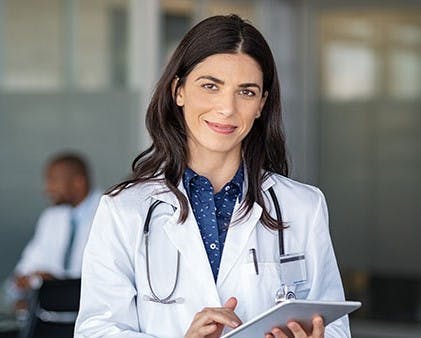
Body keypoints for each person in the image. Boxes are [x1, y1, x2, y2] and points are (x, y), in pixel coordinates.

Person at [75, 15, 350, 338]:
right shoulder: (124, 209)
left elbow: (334, 328)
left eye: (246, 92)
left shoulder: (303, 206)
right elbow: (96, 331)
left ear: (261, 104)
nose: (226, 108)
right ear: (178, 91)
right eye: (210, 86)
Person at [8, 152, 101, 310]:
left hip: (92, 316)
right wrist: (24, 285)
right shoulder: (51, 217)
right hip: (50, 315)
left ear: (78, 182)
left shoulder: (108, 212)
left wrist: (56, 285)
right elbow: (20, 276)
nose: (47, 189)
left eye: (53, 181)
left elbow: (103, 281)